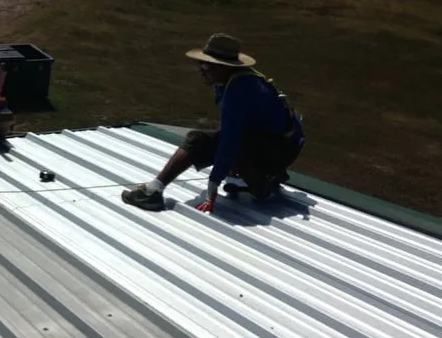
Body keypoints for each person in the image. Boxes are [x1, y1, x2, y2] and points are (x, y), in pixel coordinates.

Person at [122, 33, 305, 214]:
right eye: (200, 64)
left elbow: (231, 139)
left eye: (207, 66)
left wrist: (213, 183)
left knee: (224, 146)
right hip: (262, 138)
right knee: (199, 139)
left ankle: (264, 186)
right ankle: (154, 189)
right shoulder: (225, 81)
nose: (201, 70)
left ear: (225, 67)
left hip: (281, 147)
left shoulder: (240, 88)